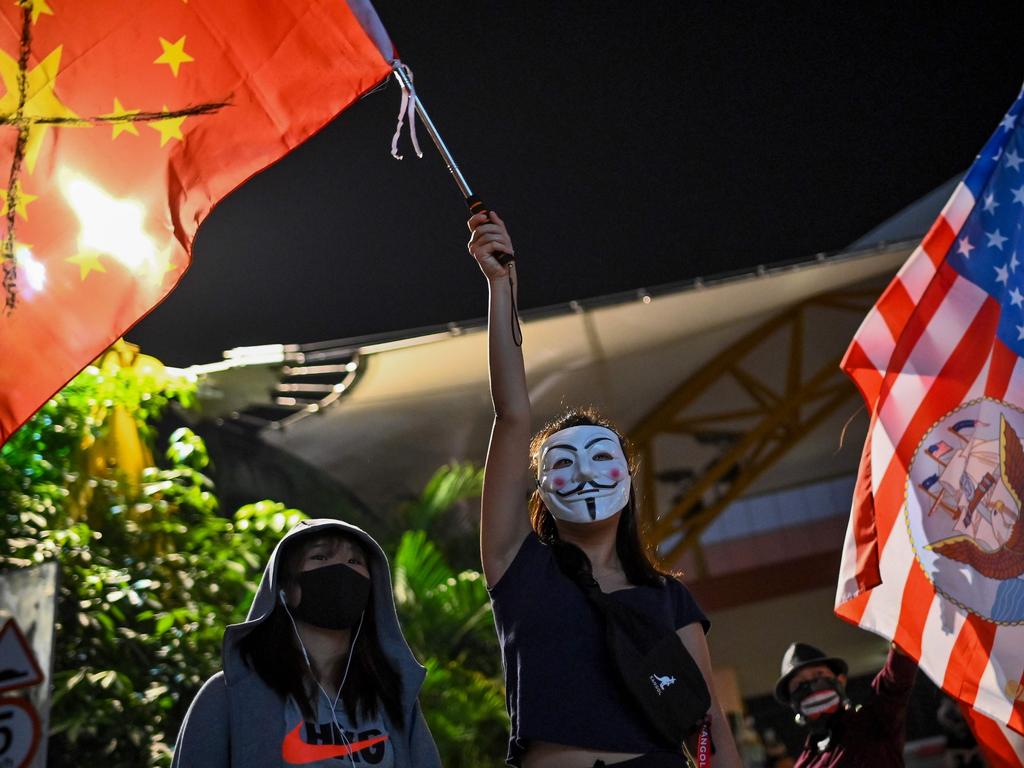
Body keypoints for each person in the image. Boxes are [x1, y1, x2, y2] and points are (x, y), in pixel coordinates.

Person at [468, 210, 742, 768]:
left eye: (600, 456)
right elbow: (512, 414)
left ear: (627, 473)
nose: (586, 472)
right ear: (539, 489)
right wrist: (502, 287)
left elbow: (707, 725)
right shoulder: (518, 567)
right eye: (563, 463)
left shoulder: (669, 597)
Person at [172, 518, 441, 768]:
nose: (342, 571)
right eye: (321, 556)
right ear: (285, 587)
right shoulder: (229, 694)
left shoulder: (394, 699)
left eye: (355, 561)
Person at [773, 641, 917, 767]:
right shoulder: (804, 764)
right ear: (791, 701)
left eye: (819, 674)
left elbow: (893, 683)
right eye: (799, 683)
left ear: (841, 680)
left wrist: (901, 643)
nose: (811, 685)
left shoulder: (872, 723)